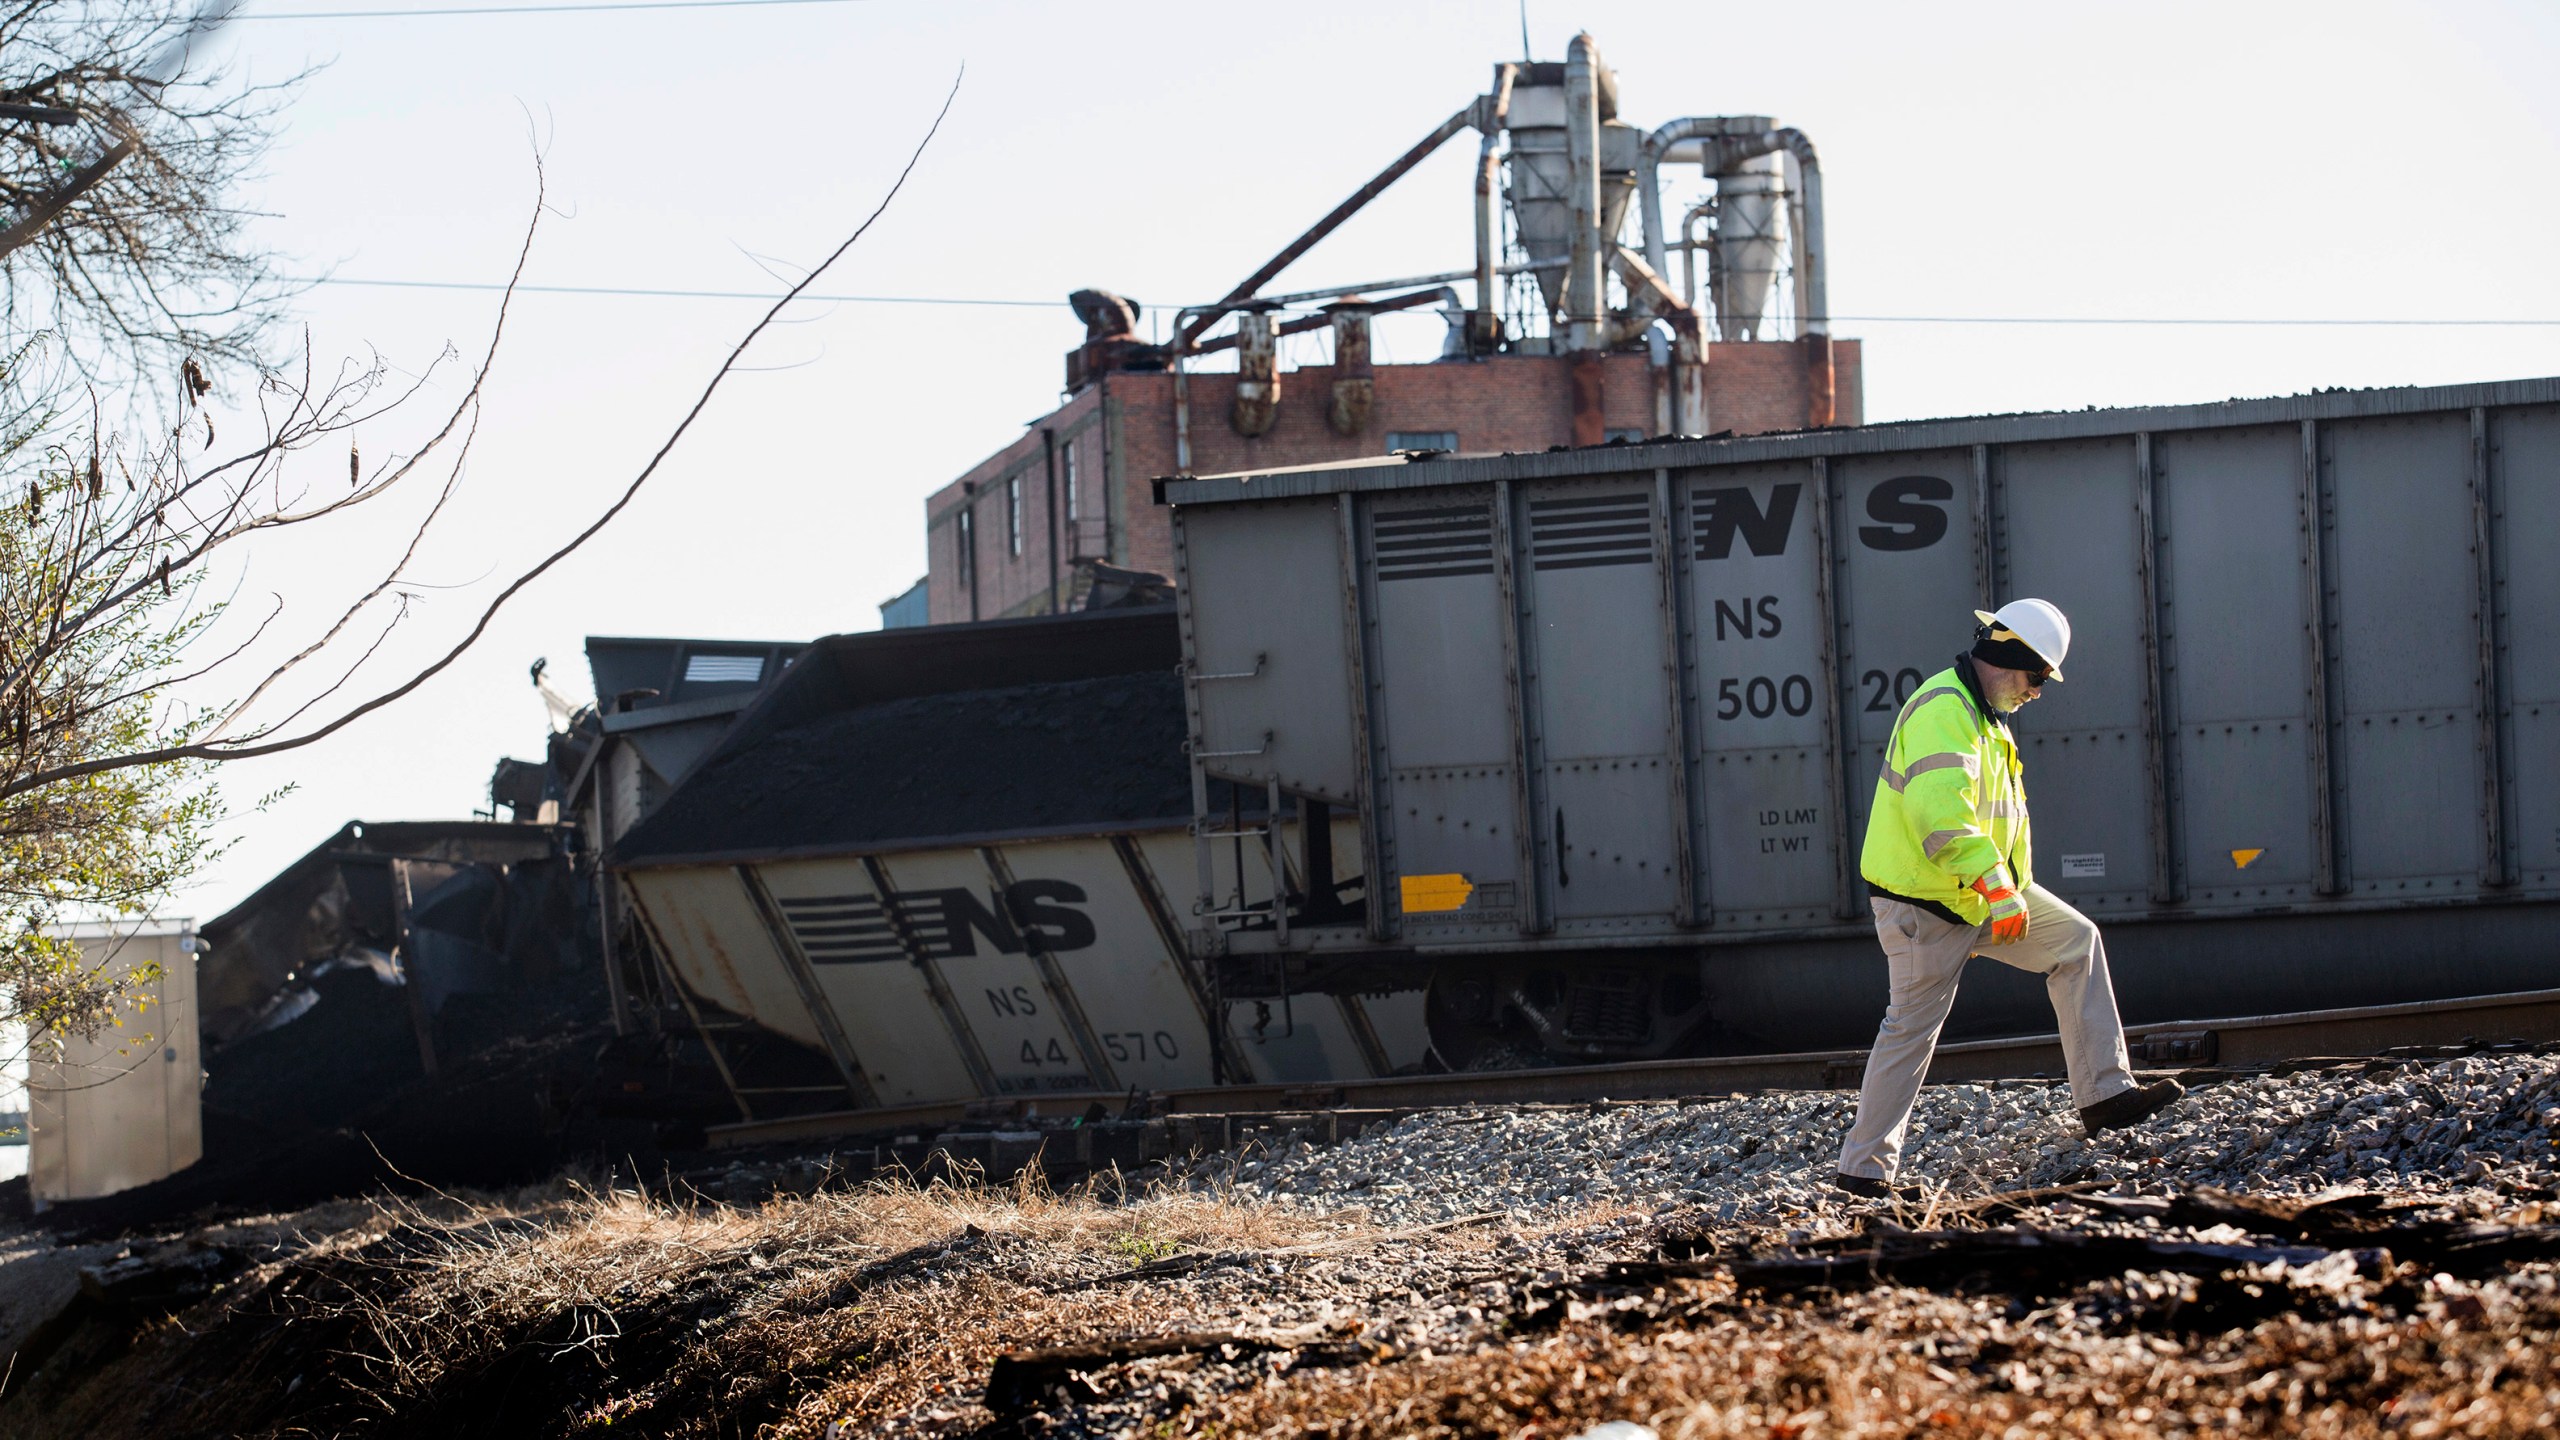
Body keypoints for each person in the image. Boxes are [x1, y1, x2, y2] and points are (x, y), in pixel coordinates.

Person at [1833, 599, 2184, 1199]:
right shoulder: (1946, 710)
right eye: (2037, 676)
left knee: (2076, 943)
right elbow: (1939, 821)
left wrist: (2002, 888)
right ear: (2008, 658)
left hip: (1977, 895)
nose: (2039, 692)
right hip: (1929, 906)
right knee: (1911, 1031)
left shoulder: (1982, 715)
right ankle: (1861, 1176)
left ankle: (2106, 1095)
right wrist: (1998, 887)